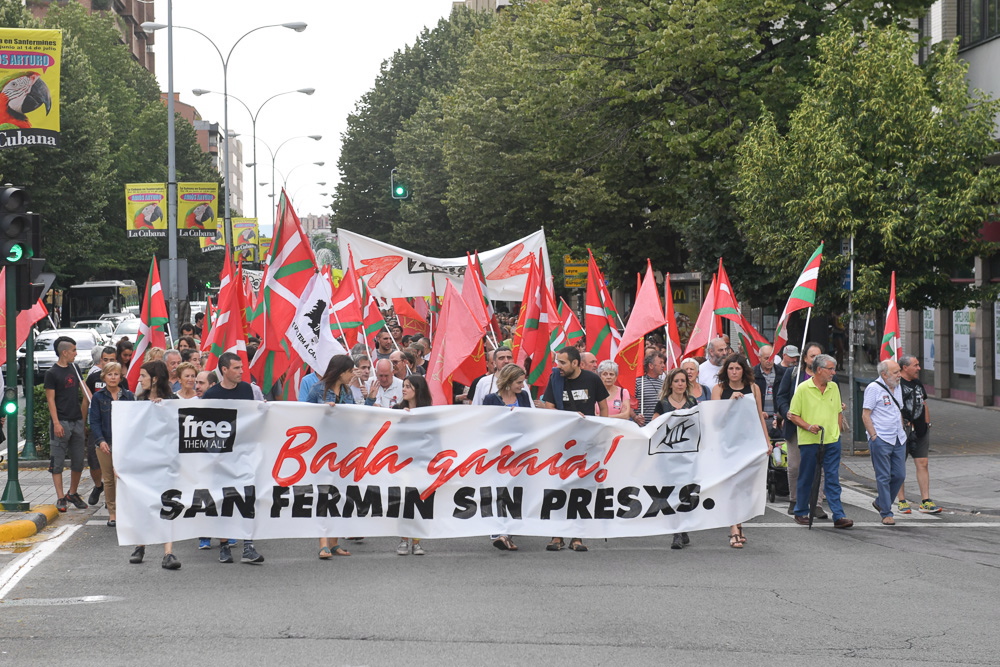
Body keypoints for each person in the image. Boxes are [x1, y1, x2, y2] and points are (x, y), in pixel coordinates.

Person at [541, 346, 608, 553]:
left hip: (586, 443)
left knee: (581, 489)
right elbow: (549, 407)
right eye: (557, 362)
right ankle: (557, 535)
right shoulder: (555, 380)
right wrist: (568, 418)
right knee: (558, 488)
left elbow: (603, 406)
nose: (558, 366)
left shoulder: (592, 379)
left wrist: (601, 431)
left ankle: (577, 536)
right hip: (561, 444)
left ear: (576, 363)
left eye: (562, 362)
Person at [201, 352, 265, 564]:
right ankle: (224, 546)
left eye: (241, 368)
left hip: (244, 453)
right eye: (236, 368)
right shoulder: (211, 395)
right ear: (224, 370)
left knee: (248, 497)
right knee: (225, 500)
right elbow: (203, 426)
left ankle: (248, 546)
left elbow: (258, 415)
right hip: (220, 457)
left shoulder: (248, 390)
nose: (241, 372)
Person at [786, 354, 854, 529]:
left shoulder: (833, 387)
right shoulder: (803, 388)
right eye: (830, 369)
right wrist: (808, 427)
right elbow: (793, 415)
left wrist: (837, 432)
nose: (834, 372)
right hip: (810, 440)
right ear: (819, 370)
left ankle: (838, 515)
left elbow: (838, 411)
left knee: (832, 478)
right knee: (807, 476)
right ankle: (800, 511)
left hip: (831, 440)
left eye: (834, 368)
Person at [711, 355, 771, 548]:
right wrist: (729, 401)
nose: (734, 372)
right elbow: (714, 419)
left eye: (737, 368)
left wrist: (767, 441)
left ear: (743, 370)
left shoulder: (753, 388)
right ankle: (733, 529)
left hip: (748, 442)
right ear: (725, 371)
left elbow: (759, 415)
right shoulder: (719, 389)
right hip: (727, 443)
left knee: (744, 486)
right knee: (731, 486)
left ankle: (739, 523)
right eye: (731, 369)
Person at [129, 360, 181, 569]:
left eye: (143, 376)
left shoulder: (172, 401)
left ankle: (168, 553)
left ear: (155, 378)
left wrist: (163, 410)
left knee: (167, 504)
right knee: (143, 504)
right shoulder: (138, 400)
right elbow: (131, 433)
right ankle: (140, 545)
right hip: (143, 461)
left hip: (166, 462)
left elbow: (178, 431)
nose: (139, 380)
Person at [305, 354, 357, 558]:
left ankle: (335, 542)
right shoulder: (318, 389)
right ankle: (323, 542)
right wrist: (323, 412)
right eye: (350, 371)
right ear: (342, 372)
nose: (352, 375)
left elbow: (354, 414)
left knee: (340, 494)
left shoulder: (346, 391)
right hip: (322, 448)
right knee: (323, 493)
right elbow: (304, 413)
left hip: (344, 449)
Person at [775, 342, 826, 517]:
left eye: (819, 356)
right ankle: (795, 499)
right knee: (795, 466)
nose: (815, 360)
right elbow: (781, 397)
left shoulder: (825, 376)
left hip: (817, 429)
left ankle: (816, 503)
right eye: (812, 356)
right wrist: (786, 412)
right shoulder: (793, 374)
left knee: (818, 466)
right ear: (804, 358)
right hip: (796, 426)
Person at [44, 336, 93, 513]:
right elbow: (50, 400)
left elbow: (83, 388)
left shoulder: (75, 368)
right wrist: (56, 423)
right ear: (64, 352)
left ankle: (72, 493)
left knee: (78, 461)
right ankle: (60, 496)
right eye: (73, 350)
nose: (76, 353)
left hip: (76, 421)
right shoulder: (52, 373)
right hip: (62, 421)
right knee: (57, 461)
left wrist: (93, 402)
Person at [652, 368, 697, 549]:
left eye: (683, 381)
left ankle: (682, 528)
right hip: (668, 456)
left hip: (688, 455)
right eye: (677, 381)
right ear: (670, 383)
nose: (680, 384)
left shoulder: (693, 402)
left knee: (685, 492)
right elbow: (654, 427)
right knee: (672, 491)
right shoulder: (662, 403)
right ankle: (677, 532)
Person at [88, 362, 134, 528]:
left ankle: (125, 511)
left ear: (120, 377)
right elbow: (94, 421)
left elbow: (134, 420)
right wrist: (100, 441)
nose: (113, 377)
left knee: (121, 479)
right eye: (110, 374)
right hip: (105, 443)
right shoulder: (98, 397)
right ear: (104, 377)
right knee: (108, 479)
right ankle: (112, 513)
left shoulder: (129, 396)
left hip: (124, 445)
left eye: (116, 374)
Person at [862, 359, 908, 526]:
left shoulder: (897, 387)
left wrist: (902, 430)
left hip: (898, 438)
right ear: (884, 374)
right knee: (883, 476)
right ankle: (886, 512)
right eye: (895, 372)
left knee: (899, 474)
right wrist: (874, 436)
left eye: (899, 372)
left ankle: (881, 501)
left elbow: (898, 411)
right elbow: (866, 414)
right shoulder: (873, 388)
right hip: (881, 438)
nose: (899, 375)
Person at [391, 374, 433, 555]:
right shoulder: (397, 409)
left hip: (422, 463)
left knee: (420, 501)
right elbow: (391, 435)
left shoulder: (429, 413)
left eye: (408, 386)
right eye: (404, 386)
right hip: (402, 464)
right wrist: (403, 419)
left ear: (418, 389)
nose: (404, 389)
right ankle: (403, 540)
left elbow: (433, 437)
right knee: (403, 501)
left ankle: (417, 541)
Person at [895, 355, 940, 514]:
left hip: (920, 431)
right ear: (905, 367)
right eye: (916, 365)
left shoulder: (918, 384)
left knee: (923, 463)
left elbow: (924, 403)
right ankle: (901, 500)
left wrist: (927, 425)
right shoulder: (896, 384)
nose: (919, 368)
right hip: (903, 432)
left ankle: (925, 501)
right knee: (899, 465)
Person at [752, 344, 786, 436]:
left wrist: (781, 416)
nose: (769, 361)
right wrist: (758, 412)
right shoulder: (752, 374)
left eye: (772, 358)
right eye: (766, 358)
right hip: (759, 418)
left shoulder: (783, 373)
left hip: (778, 419)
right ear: (759, 358)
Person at [634, 350, 666, 426]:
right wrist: (635, 417)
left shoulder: (664, 384)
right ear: (651, 366)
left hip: (659, 428)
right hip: (643, 428)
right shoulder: (638, 382)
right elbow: (629, 404)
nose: (663, 365)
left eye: (663, 363)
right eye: (660, 363)